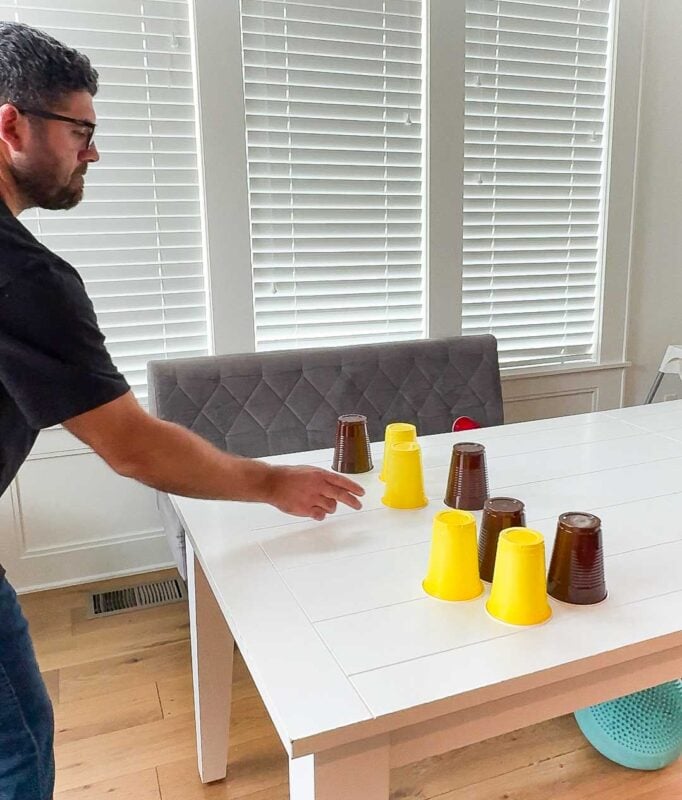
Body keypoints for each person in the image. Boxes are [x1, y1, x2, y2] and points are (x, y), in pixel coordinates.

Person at [0, 21, 364, 800]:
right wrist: (271, 484)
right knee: (19, 755)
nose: (91, 153)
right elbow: (132, 445)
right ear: (12, 124)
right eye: (81, 131)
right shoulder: (24, 278)